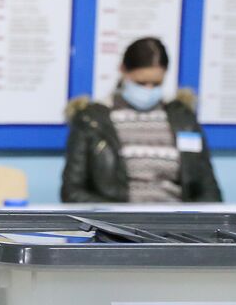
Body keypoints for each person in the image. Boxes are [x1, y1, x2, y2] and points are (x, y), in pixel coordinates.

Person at [61, 36, 221, 203]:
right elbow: (72, 191)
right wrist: (116, 216)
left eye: (156, 83)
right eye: (141, 82)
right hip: (117, 222)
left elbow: (209, 189)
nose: (148, 89)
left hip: (176, 220)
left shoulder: (183, 119)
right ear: (123, 70)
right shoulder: (92, 120)